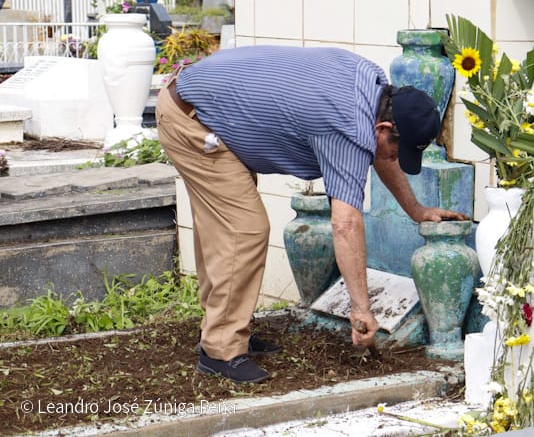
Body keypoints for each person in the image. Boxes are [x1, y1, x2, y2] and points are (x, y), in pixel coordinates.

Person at [156, 45, 468, 384]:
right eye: (398, 150)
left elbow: (380, 152)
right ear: (383, 127)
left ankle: (224, 328)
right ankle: (220, 350)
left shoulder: (371, 88)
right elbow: (345, 224)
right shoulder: (344, 125)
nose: (395, 158)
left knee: (226, 227)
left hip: (201, 102)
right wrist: (361, 309)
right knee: (245, 229)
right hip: (193, 120)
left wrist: (416, 210)